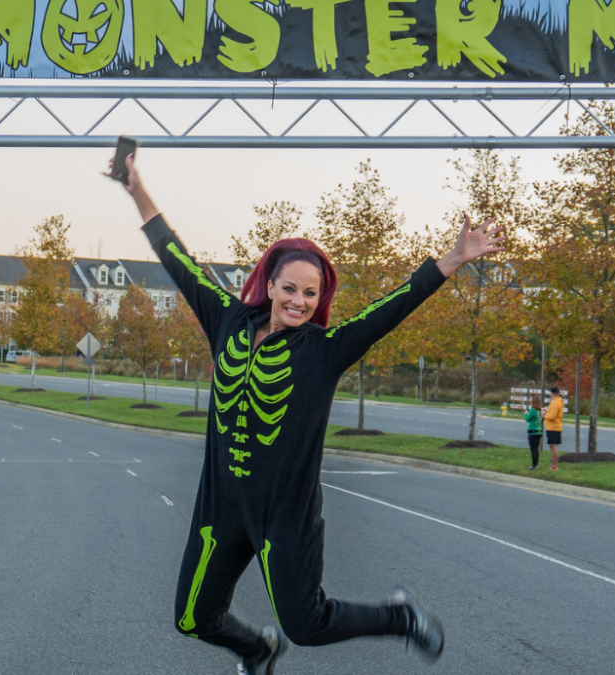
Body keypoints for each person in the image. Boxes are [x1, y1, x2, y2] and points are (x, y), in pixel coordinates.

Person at [113, 153, 505, 674]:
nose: (299, 301)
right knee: (193, 618)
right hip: (221, 505)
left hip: (285, 515)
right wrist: (136, 188)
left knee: (306, 624)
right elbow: (175, 256)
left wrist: (452, 260)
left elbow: (392, 307)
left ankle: (400, 616)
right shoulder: (227, 320)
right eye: (290, 289)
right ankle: (257, 649)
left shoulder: (324, 351)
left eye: (310, 293)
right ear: (269, 285)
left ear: (320, 298)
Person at [544, 386, 565, 471]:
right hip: (553, 427)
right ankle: (554, 465)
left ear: (552, 393)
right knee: (552, 446)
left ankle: (554, 466)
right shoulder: (557, 402)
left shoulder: (555, 403)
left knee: (553, 446)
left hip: (553, 427)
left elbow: (552, 416)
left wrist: (544, 416)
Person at [525, 393, 543, 470]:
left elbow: (527, 419)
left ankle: (534, 465)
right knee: (536, 448)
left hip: (532, 431)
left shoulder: (532, 410)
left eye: (530, 398)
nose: (529, 400)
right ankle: (536, 464)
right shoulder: (540, 410)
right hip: (539, 431)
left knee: (533, 449)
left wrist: (525, 414)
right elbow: (541, 420)